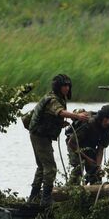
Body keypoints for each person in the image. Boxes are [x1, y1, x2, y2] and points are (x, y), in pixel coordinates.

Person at [27, 74, 89, 206]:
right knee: (50, 168)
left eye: (68, 86)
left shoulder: (58, 98)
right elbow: (60, 112)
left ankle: (33, 198)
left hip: (40, 134)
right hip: (40, 136)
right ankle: (45, 199)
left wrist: (60, 124)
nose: (66, 88)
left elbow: (51, 117)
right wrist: (77, 116)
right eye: (64, 86)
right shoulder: (53, 99)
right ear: (58, 87)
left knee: (42, 167)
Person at [66, 105, 109, 185]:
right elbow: (71, 143)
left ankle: (95, 192)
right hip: (75, 144)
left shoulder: (108, 129)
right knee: (79, 167)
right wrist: (87, 159)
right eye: (106, 119)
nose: (108, 122)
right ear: (102, 117)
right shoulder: (89, 123)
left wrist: (98, 166)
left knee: (96, 171)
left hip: (90, 146)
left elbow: (100, 149)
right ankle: (70, 190)